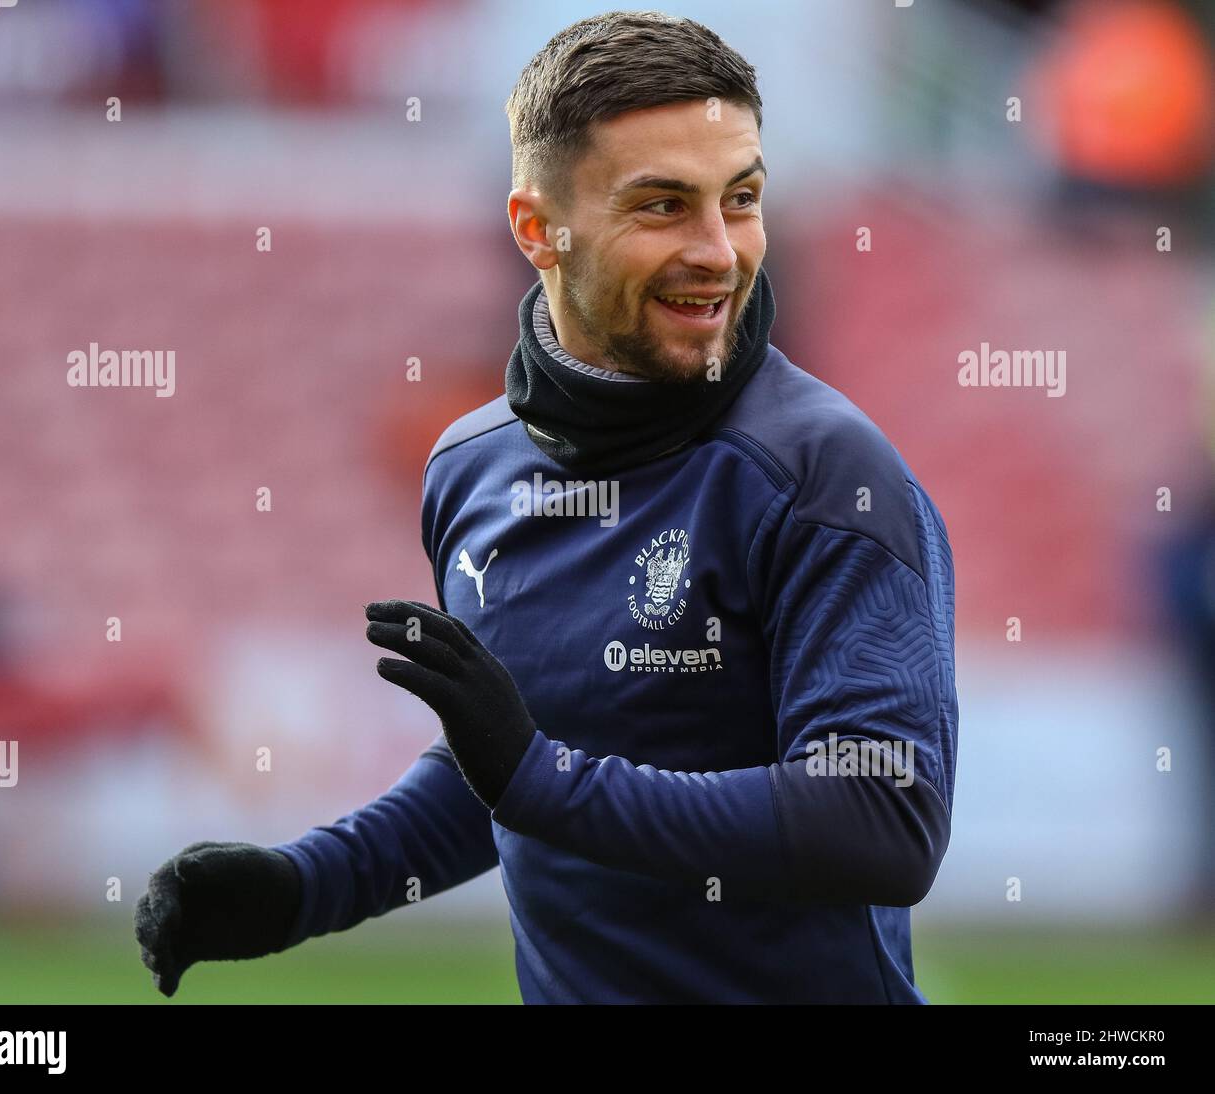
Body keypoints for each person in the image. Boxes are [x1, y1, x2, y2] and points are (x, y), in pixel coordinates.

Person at [136, 10, 958, 1004]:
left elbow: (880, 820)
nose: (718, 251)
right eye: (661, 205)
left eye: (738, 199)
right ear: (538, 229)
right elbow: (506, 769)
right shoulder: (472, 468)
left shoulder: (824, 473)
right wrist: (307, 883)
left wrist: (540, 778)